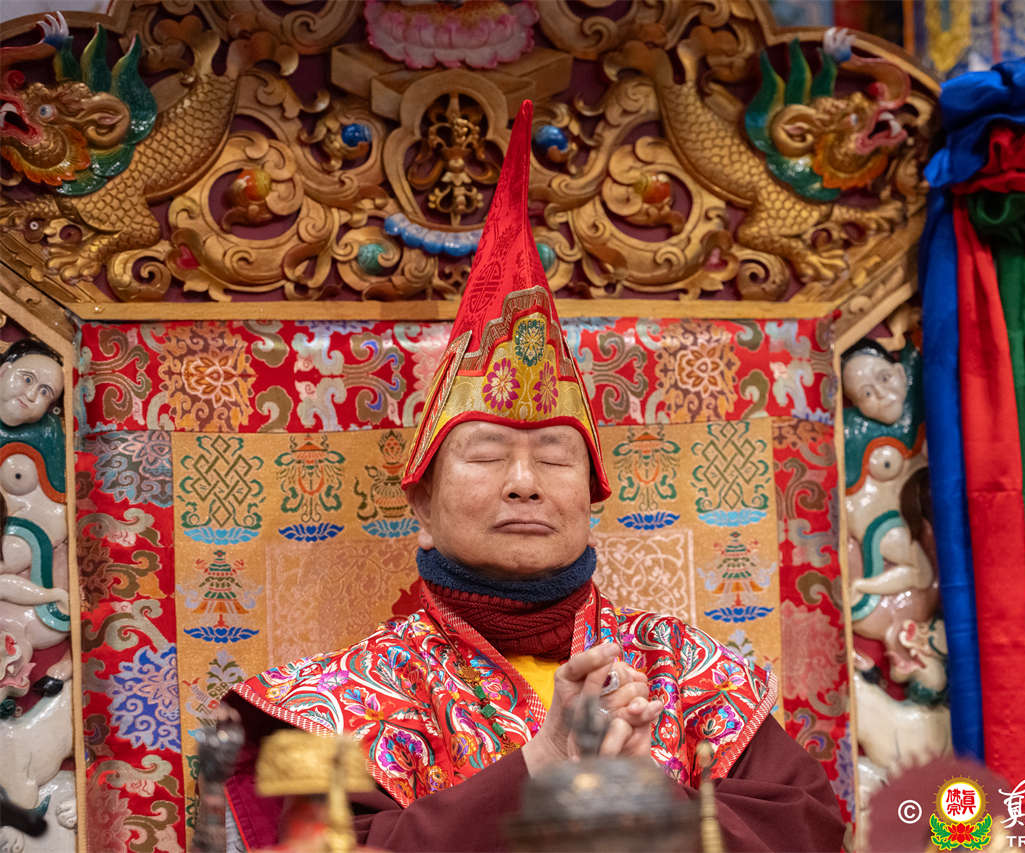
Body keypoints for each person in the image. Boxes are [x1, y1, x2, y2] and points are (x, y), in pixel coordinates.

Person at [223, 100, 845, 852]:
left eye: (554, 456)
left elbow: (807, 832)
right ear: (421, 505)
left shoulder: (687, 675)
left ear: (591, 498)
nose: (525, 481)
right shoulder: (331, 703)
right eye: (486, 454)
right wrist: (540, 764)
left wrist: (651, 794)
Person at [0, 340, 63, 429]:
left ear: (49, 407)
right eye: (28, 379)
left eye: (44, 392)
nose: (30, 395)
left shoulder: (49, 431)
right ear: (4, 371)